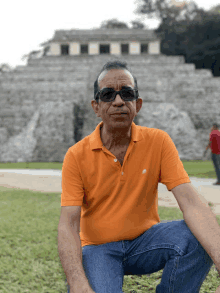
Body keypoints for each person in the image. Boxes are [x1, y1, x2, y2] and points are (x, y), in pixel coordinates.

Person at [58, 60, 220, 293]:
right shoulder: (76, 155)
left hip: (146, 242)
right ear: (96, 106)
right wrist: (77, 283)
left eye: (127, 93)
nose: (118, 101)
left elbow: (191, 202)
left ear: (138, 103)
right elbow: (68, 223)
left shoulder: (158, 141)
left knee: (196, 236)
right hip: (98, 248)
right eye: (107, 95)